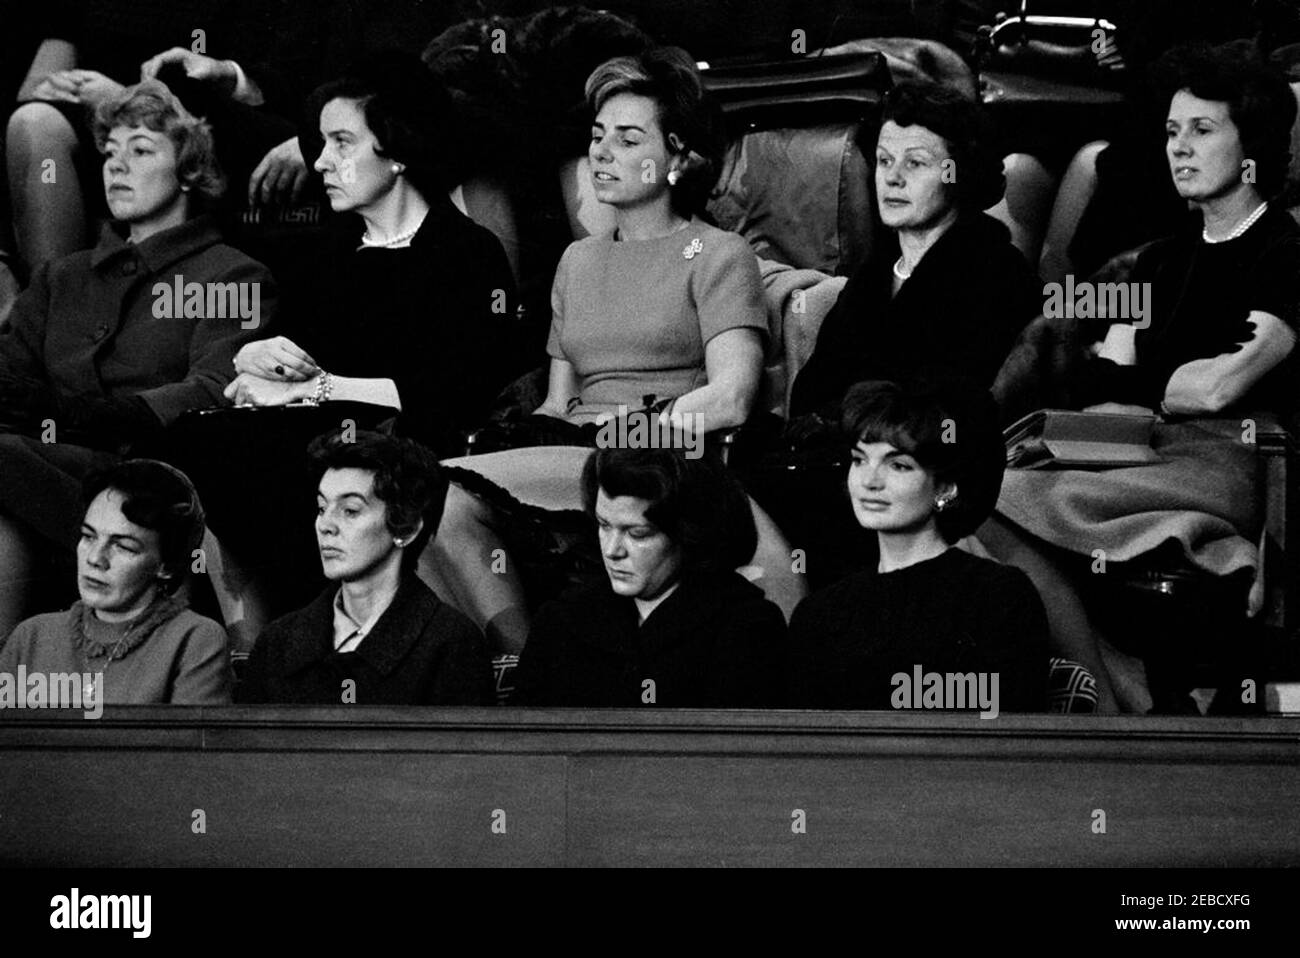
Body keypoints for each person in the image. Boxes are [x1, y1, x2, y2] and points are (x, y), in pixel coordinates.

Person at [426, 47, 794, 657]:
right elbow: (558, 400)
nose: (601, 152)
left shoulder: (719, 253)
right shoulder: (578, 259)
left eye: (627, 139)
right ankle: (522, 666)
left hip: (665, 457)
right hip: (575, 451)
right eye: (598, 136)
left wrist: (632, 430)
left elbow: (731, 398)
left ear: (680, 156)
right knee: (437, 501)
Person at [980, 45, 1300, 713]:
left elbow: (1216, 391)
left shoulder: (1285, 253)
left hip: (1233, 460)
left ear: (1253, 147)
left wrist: (1154, 378)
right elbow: (1120, 378)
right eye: (1172, 131)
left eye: (1203, 131)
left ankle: (1109, 690)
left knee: (998, 498)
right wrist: (1161, 381)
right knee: (983, 493)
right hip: (1145, 447)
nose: (1180, 148)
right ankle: (1116, 682)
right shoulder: (1159, 261)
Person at [169, 54, 522, 633]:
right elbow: (293, 351)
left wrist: (319, 388)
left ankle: (308, 636)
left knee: (262, 459)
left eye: (341, 143)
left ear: (397, 150)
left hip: (408, 433)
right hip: (318, 426)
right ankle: (255, 652)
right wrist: (252, 356)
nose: (322, 162)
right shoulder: (331, 255)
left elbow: (449, 391)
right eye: (322, 144)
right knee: (199, 439)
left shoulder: (465, 252)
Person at [0, 80, 274, 638]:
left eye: (141, 150)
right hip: (41, 468)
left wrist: (89, 414)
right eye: (110, 153)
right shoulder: (62, 277)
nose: (117, 165)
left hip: (151, 479)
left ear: (190, 172)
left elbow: (215, 386)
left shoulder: (230, 274)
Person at [787, 381, 1049, 712]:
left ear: (945, 487)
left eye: (898, 465)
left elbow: (1009, 732)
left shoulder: (998, 597)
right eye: (859, 459)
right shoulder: (819, 614)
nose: (870, 481)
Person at [788, 80, 1041, 419]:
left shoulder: (996, 274)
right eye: (884, 160)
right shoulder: (871, 276)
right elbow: (811, 395)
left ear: (958, 174)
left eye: (915, 163)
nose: (892, 178)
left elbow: (949, 410)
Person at [513, 446, 786, 707]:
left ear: (688, 532)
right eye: (604, 526)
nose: (611, 551)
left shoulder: (747, 627)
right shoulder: (561, 620)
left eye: (637, 534)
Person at [236, 430, 493, 706]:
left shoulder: (452, 644)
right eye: (322, 508)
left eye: (350, 510)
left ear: (405, 528)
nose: (325, 525)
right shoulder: (277, 643)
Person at [0, 460, 232, 705]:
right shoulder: (31, 637)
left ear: (166, 565)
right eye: (89, 536)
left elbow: (188, 743)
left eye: (123, 546)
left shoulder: (194, 640)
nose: (95, 558)